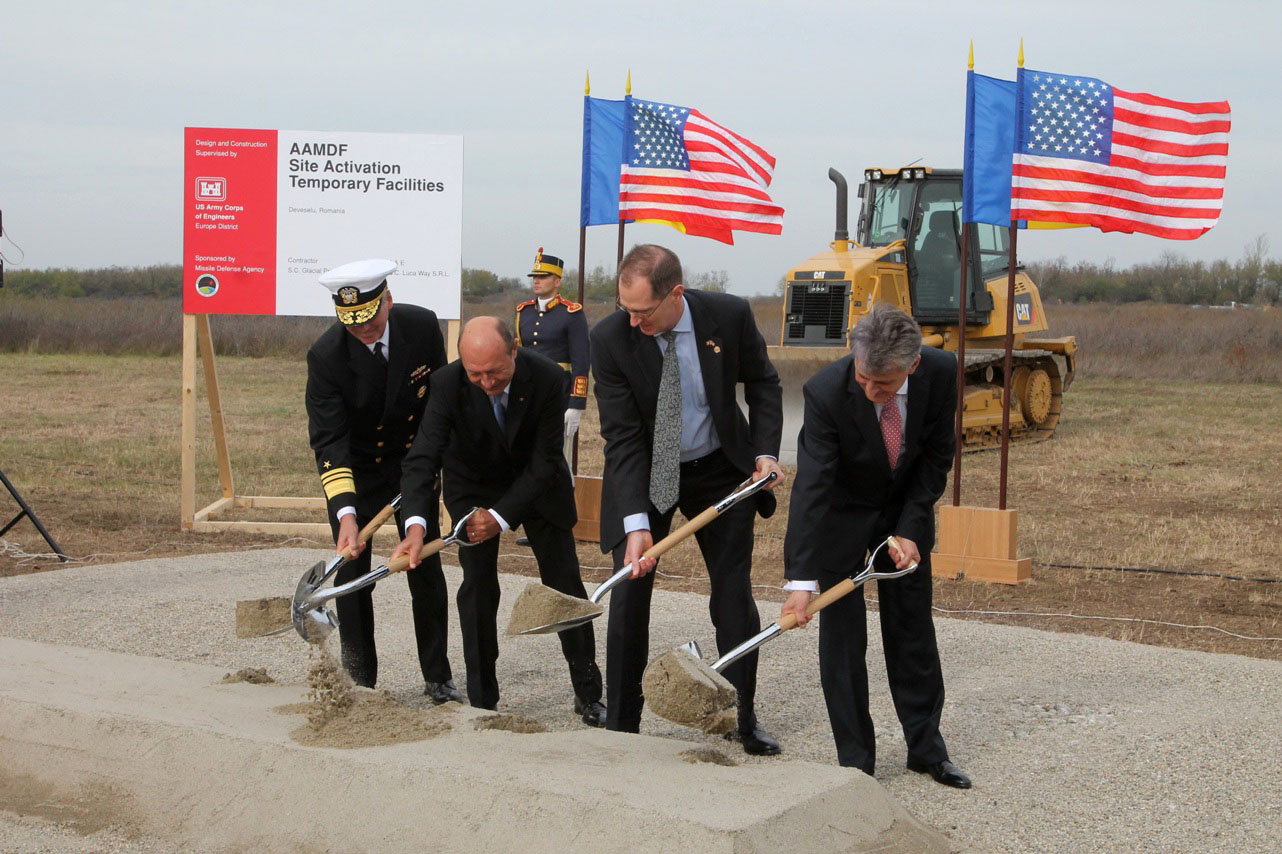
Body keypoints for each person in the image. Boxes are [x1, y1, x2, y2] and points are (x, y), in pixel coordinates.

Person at [590, 244, 784, 754]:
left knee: (733, 596)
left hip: (721, 470)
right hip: (648, 472)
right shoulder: (609, 338)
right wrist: (636, 524)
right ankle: (621, 725)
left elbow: (763, 383)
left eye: (642, 312)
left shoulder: (728, 314)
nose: (632, 322)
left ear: (676, 293)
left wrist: (764, 453)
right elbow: (623, 438)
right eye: (625, 309)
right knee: (630, 595)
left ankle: (739, 716)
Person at [781, 303, 971, 789]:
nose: (869, 391)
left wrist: (910, 528)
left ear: (914, 365)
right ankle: (856, 763)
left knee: (912, 631)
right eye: (863, 378)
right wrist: (801, 581)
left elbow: (935, 457)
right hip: (842, 516)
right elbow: (812, 489)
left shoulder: (943, 371)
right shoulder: (825, 391)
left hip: (903, 513)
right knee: (843, 641)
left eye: (882, 385)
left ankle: (926, 748)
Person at [392, 317, 606, 726]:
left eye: (495, 372)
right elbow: (422, 459)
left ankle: (588, 694)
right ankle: (482, 700)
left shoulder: (546, 376)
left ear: (514, 350)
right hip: (472, 486)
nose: (486, 382)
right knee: (477, 586)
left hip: (539, 485)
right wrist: (416, 526)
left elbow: (545, 461)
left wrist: (503, 516)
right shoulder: (446, 384)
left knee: (564, 585)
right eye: (476, 373)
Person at [305, 258, 459, 703]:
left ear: (387, 300)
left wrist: (426, 471)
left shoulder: (422, 326)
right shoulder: (326, 355)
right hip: (358, 472)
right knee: (353, 576)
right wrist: (347, 515)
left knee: (422, 567)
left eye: (370, 319)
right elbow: (330, 441)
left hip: (415, 461)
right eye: (353, 324)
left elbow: (438, 403)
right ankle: (361, 680)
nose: (365, 331)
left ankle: (438, 676)